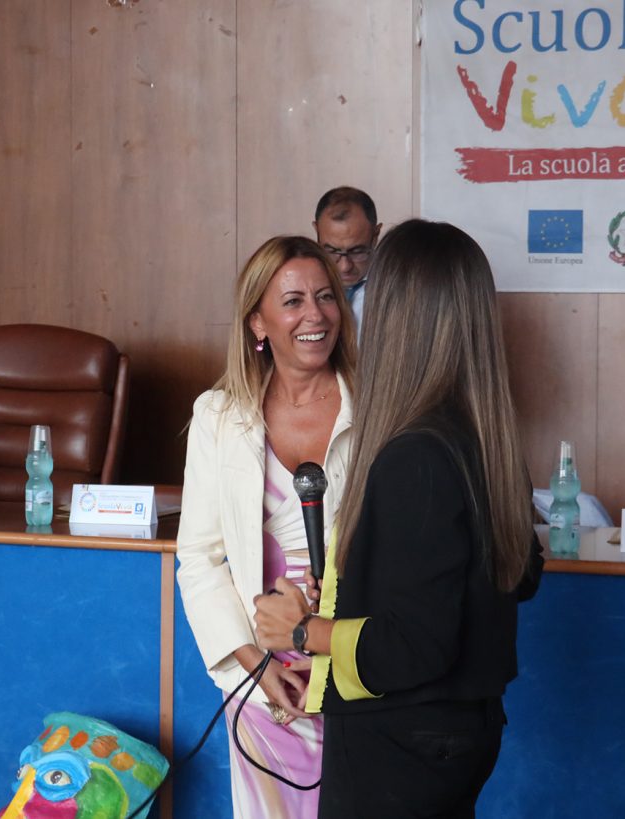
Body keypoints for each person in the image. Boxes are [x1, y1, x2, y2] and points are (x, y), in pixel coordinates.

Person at [254, 219, 544, 818]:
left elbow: (415, 646)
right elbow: (520, 573)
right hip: (461, 730)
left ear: (393, 318)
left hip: (402, 741)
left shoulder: (415, 456)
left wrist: (302, 632)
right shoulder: (486, 439)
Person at [175, 235, 356, 819]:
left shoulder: (378, 405)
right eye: (293, 301)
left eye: (326, 298)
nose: (315, 316)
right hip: (263, 681)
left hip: (354, 665)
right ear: (258, 322)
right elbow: (199, 558)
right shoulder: (219, 416)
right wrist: (252, 665)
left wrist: (328, 641)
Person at [313, 187, 382, 335]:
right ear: (316, 231)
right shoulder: (305, 284)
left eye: (357, 251)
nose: (344, 267)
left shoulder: (396, 290)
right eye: (332, 251)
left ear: (376, 235)